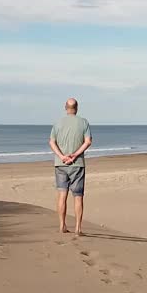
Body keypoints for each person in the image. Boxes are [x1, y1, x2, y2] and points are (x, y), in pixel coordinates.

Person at [49, 97, 92, 236]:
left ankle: (62, 225)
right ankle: (78, 228)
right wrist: (75, 155)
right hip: (77, 164)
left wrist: (61, 156)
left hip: (61, 164)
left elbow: (52, 142)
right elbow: (88, 141)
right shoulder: (83, 122)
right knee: (78, 196)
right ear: (77, 107)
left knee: (62, 194)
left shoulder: (58, 123)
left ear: (65, 107)